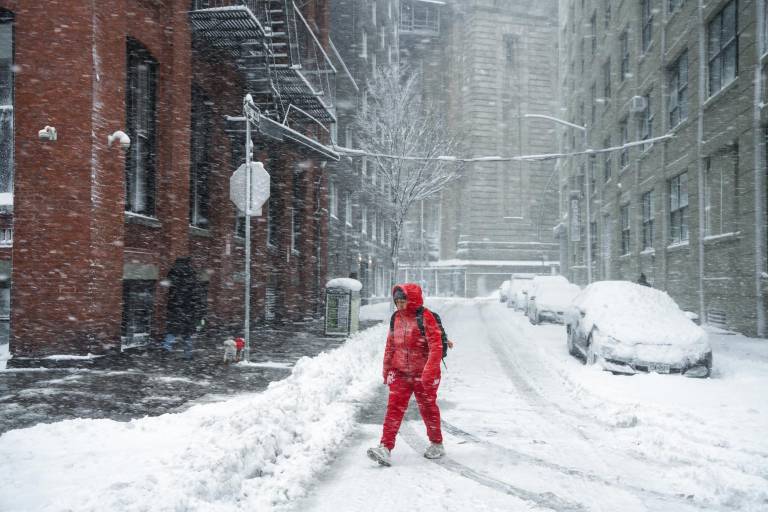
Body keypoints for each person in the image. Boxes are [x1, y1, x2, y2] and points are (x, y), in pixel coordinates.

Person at [367, 283, 445, 466]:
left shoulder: (425, 317)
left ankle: (437, 443)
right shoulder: (396, 318)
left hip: (423, 374)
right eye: (397, 302)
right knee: (393, 409)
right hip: (401, 372)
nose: (400, 306)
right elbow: (390, 345)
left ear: (412, 300)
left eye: (403, 302)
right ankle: (385, 448)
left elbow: (436, 347)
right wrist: (387, 369)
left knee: (428, 409)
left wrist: (429, 372)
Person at [162, 257, 205, 359]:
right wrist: (197, 305)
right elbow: (196, 291)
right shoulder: (191, 272)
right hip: (189, 307)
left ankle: (166, 347)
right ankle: (188, 354)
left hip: (175, 305)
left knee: (172, 329)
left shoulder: (173, 271)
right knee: (187, 332)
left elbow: (169, 285)